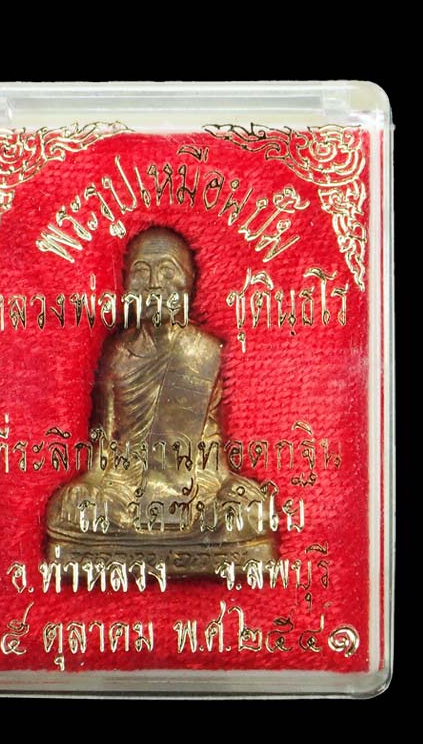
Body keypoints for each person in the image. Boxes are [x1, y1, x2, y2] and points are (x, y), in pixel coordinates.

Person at [46, 226, 277, 575]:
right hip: (125, 496)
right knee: (67, 512)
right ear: (127, 285)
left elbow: (210, 453)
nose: (154, 284)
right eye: (142, 272)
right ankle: (184, 553)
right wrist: (89, 487)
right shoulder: (117, 354)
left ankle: (150, 551)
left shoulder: (205, 353)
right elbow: (104, 450)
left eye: (168, 272)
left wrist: (227, 486)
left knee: (252, 513)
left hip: (191, 495)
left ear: (189, 284)